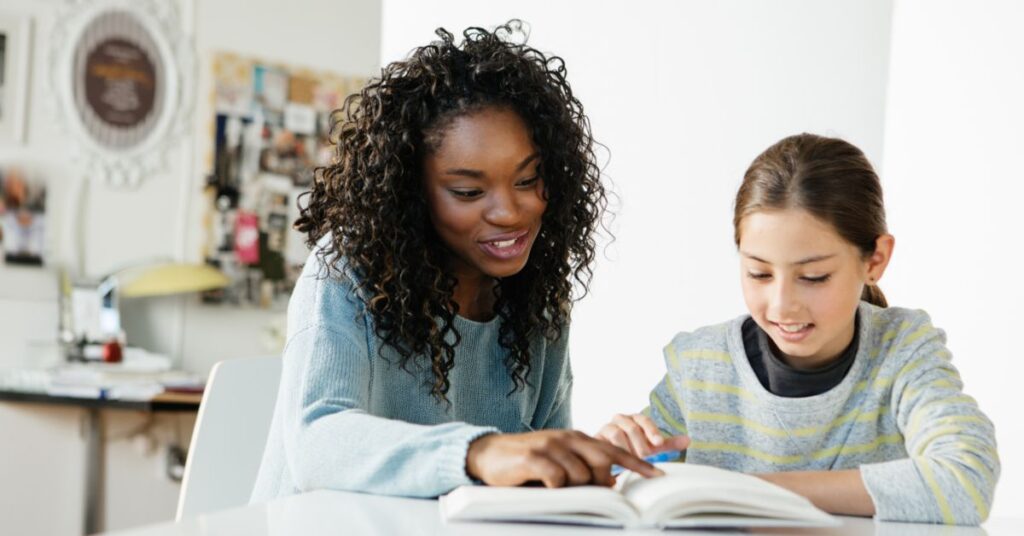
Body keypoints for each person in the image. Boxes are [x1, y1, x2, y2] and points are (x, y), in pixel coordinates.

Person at [251, 21, 659, 502]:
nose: (510, 212)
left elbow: (537, 468)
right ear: (412, 193)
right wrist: (479, 453)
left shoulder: (536, 298)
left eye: (528, 181)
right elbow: (317, 443)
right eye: (468, 191)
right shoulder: (346, 270)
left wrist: (581, 463)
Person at [596, 133, 999, 525]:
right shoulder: (699, 366)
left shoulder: (902, 349)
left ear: (875, 260)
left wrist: (751, 491)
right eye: (759, 272)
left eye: (814, 276)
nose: (782, 305)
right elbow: (630, 487)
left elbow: (965, 480)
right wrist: (609, 457)